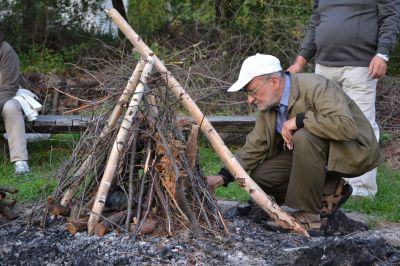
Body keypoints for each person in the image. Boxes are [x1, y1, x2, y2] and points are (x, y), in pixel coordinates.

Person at [207, 54, 382, 232]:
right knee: (262, 176)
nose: (250, 99)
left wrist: (301, 120)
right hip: (314, 154)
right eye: (247, 93)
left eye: (252, 91)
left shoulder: (316, 86)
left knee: (304, 135)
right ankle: (327, 192)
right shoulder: (268, 106)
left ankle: (309, 217)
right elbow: (255, 145)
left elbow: (346, 128)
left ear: (274, 81)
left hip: (353, 149)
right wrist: (223, 176)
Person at [288, 0, 400, 197]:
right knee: (321, 123)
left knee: (361, 125)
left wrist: (383, 53)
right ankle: (327, 186)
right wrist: (300, 61)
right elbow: (317, 21)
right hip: (323, 66)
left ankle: (360, 191)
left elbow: (390, 16)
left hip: (360, 66)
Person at [0, 32, 30, 174]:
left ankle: (20, 162)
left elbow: (9, 87)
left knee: (11, 108)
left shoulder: (5, 50)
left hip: (7, 96)